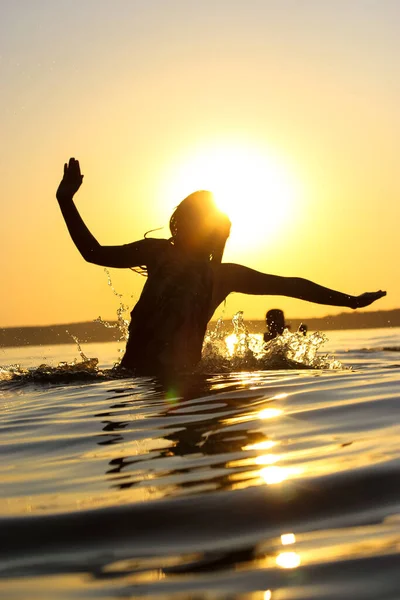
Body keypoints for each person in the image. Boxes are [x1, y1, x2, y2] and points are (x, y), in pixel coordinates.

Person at [56, 157, 386, 377]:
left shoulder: (220, 276)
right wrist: (66, 201)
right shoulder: (159, 254)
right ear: (181, 223)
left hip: (178, 382)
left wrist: (350, 301)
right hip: (133, 378)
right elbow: (93, 252)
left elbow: (291, 285)